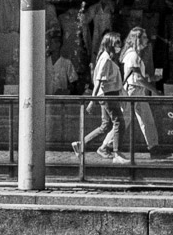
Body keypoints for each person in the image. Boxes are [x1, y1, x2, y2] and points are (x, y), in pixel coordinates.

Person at [74, 31, 126, 162]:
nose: (119, 45)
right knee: (119, 122)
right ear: (110, 44)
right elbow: (99, 81)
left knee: (106, 125)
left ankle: (81, 144)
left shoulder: (106, 57)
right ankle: (117, 154)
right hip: (108, 95)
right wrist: (92, 101)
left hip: (108, 94)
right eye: (117, 43)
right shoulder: (106, 59)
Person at [121, 26, 160, 157]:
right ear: (137, 39)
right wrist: (154, 90)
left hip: (136, 90)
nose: (147, 40)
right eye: (144, 37)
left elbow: (138, 76)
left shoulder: (134, 55)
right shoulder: (132, 55)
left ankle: (154, 147)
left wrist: (151, 78)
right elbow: (137, 79)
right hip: (134, 90)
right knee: (125, 121)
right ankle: (107, 146)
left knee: (144, 120)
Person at [44, 25, 78, 95]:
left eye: (51, 43)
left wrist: (66, 91)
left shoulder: (67, 63)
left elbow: (74, 83)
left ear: (58, 44)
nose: (49, 45)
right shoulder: (44, 62)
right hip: (45, 100)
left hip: (61, 101)